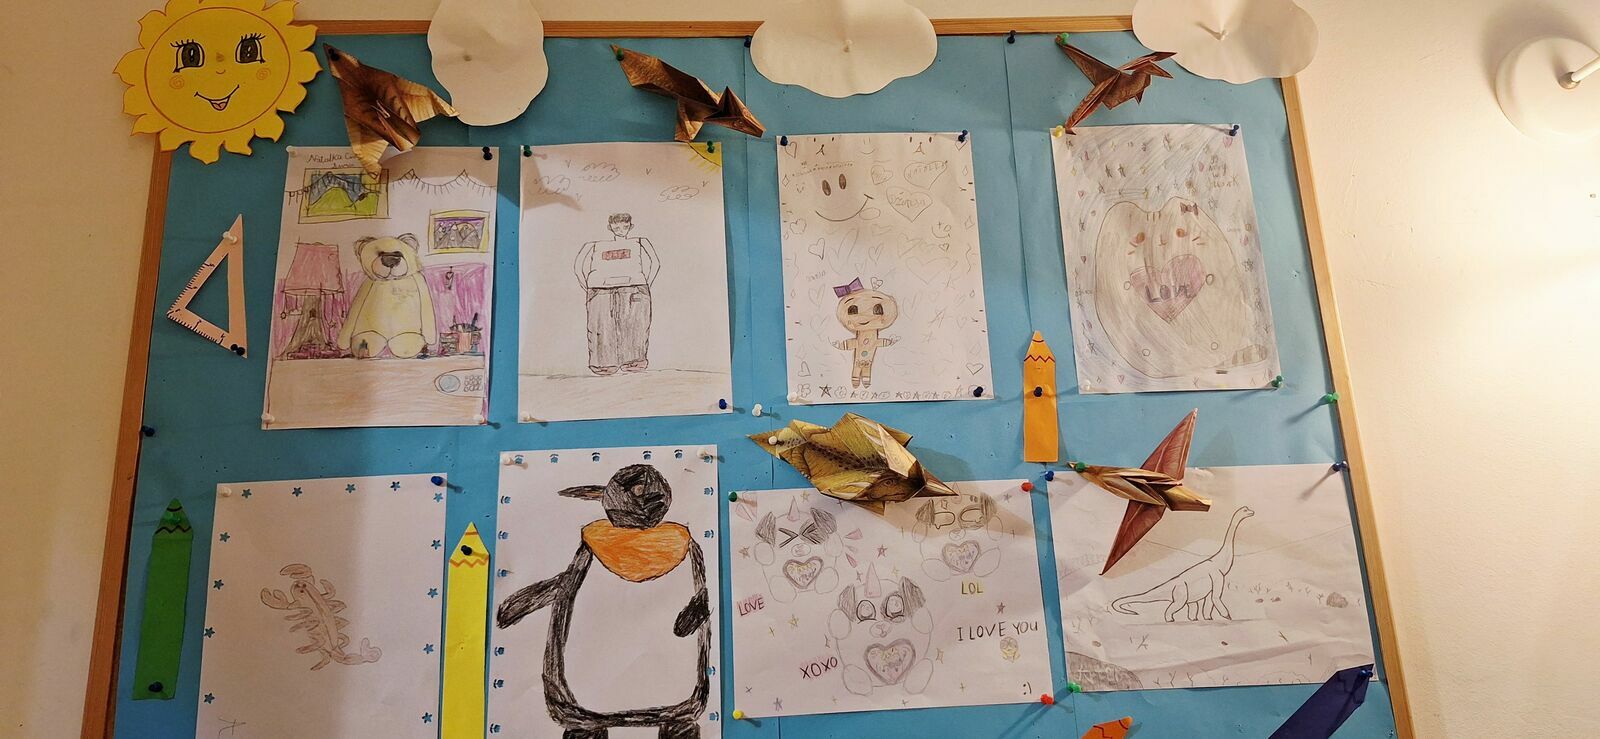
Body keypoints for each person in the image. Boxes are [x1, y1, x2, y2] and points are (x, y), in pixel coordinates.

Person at [573, 213, 659, 375]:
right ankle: (603, 364)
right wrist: (587, 286)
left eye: (625, 227)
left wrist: (645, 283)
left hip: (634, 287)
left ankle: (634, 362)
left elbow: (656, 262)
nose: (621, 230)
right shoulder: (594, 243)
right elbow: (578, 266)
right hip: (600, 289)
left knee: (636, 325)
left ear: (631, 227)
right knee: (600, 327)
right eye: (617, 227)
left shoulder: (640, 241)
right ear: (610, 227)